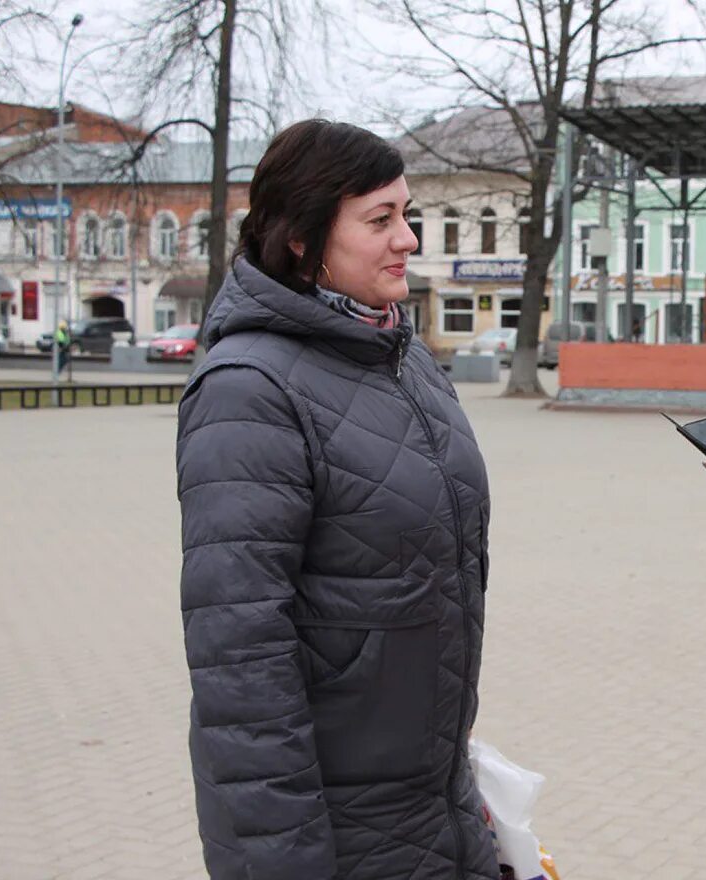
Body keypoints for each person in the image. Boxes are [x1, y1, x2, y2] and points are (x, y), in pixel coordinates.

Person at [176, 120, 498, 880]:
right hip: (330, 818)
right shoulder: (248, 391)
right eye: (380, 220)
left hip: (432, 795)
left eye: (407, 214)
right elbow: (240, 658)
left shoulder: (402, 356)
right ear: (303, 236)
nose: (410, 239)